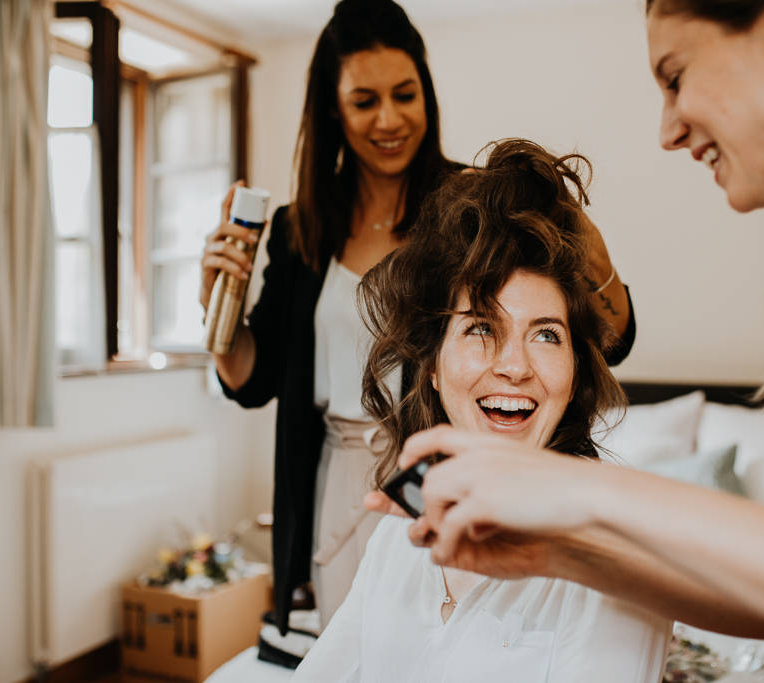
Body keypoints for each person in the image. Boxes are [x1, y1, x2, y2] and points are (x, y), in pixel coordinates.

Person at [368, 0, 764, 678]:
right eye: (480, 330)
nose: (668, 131)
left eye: (674, 77)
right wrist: (560, 552)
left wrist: (579, 493)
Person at [200, 0, 635, 631]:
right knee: (354, 643)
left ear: (426, 94)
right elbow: (253, 379)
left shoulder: (463, 205)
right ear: (332, 109)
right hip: (334, 476)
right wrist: (218, 305)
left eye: (405, 95)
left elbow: (609, 338)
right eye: (364, 101)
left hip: (439, 462)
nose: (389, 119)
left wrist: (595, 255)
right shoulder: (300, 228)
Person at [291, 139, 670, 682]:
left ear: (574, 375)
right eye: (480, 328)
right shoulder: (399, 530)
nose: (514, 366)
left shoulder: (616, 563)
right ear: (432, 366)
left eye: (546, 334)